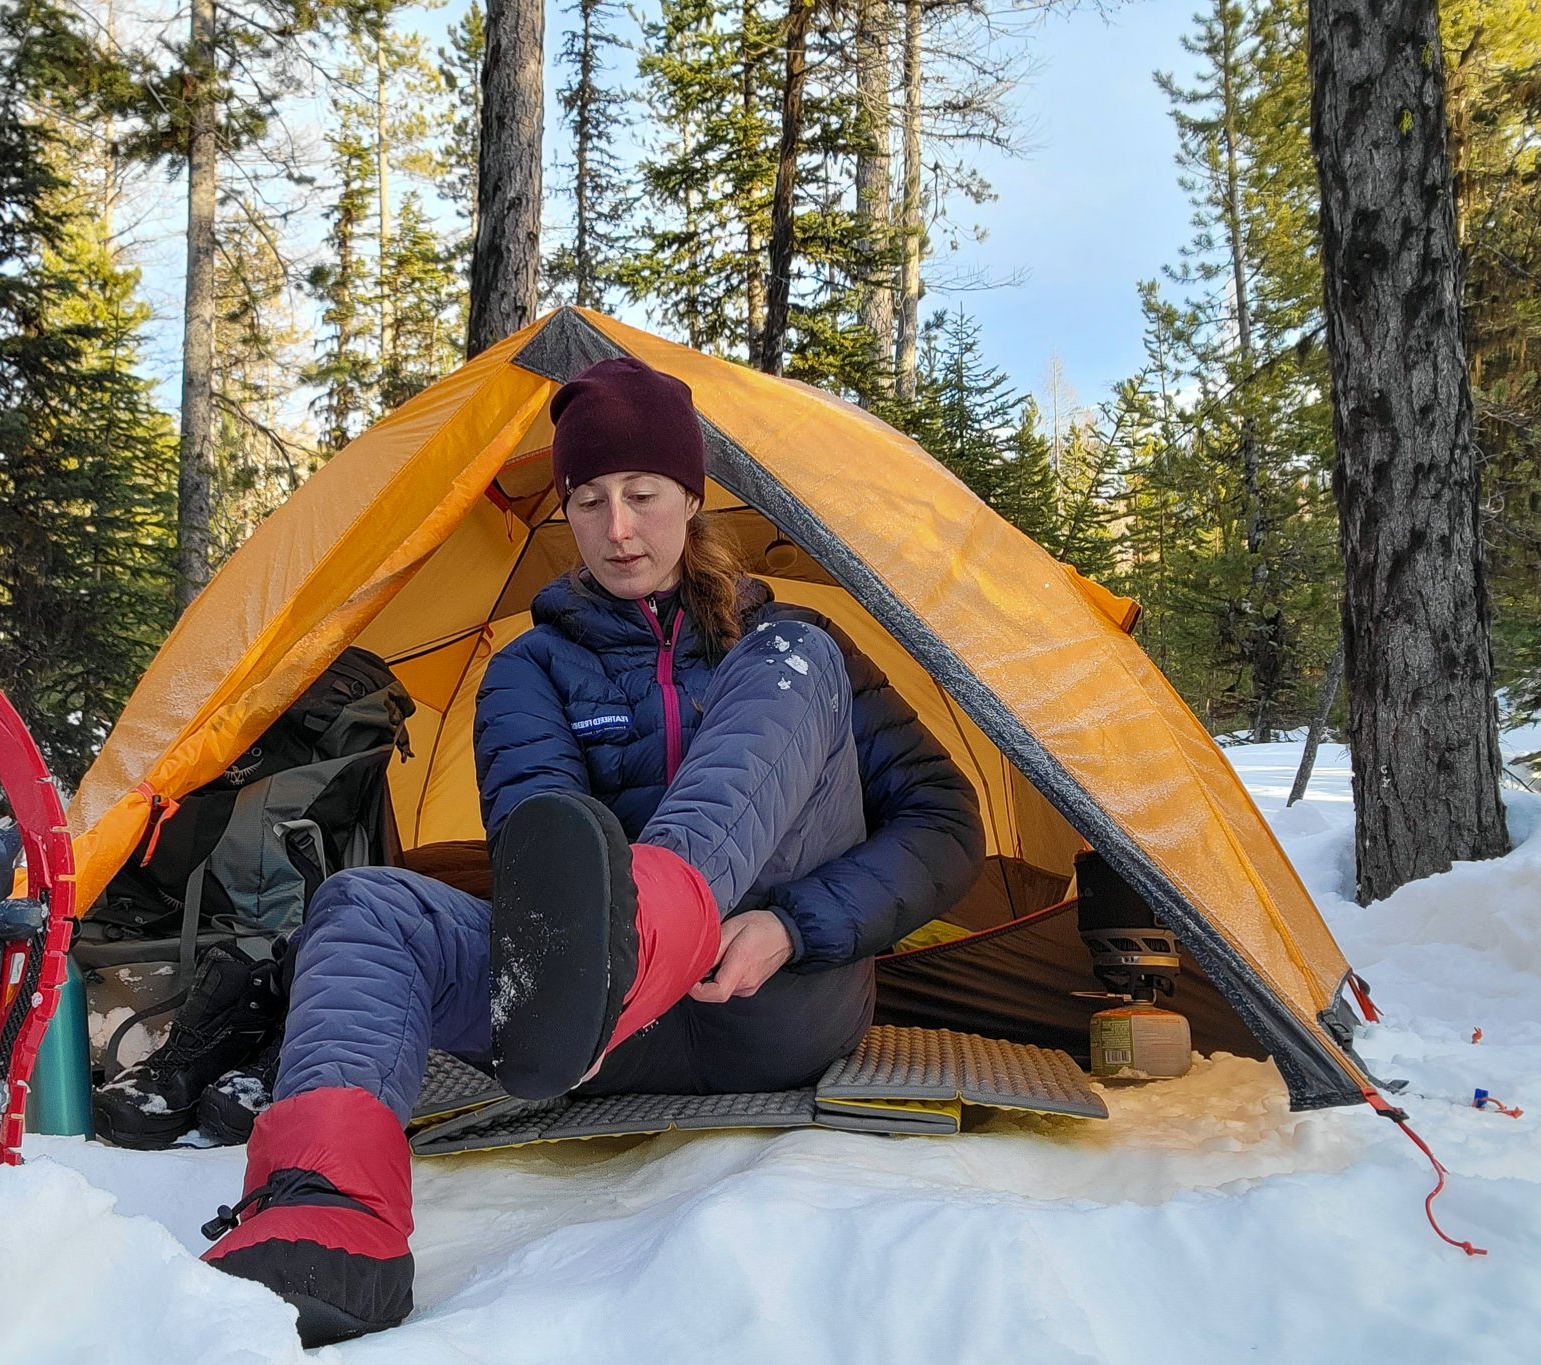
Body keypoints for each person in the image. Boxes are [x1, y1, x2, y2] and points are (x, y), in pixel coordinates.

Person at [198, 357, 986, 1346]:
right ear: (566, 512)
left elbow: (947, 829)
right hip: (592, 1026)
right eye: (589, 500)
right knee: (364, 908)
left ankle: (643, 936)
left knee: (791, 657)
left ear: (691, 498)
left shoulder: (787, 642)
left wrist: (790, 928)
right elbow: (545, 853)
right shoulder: (528, 668)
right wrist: (574, 967)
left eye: (644, 495)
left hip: (768, 1003)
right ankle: (329, 1216)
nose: (619, 529)